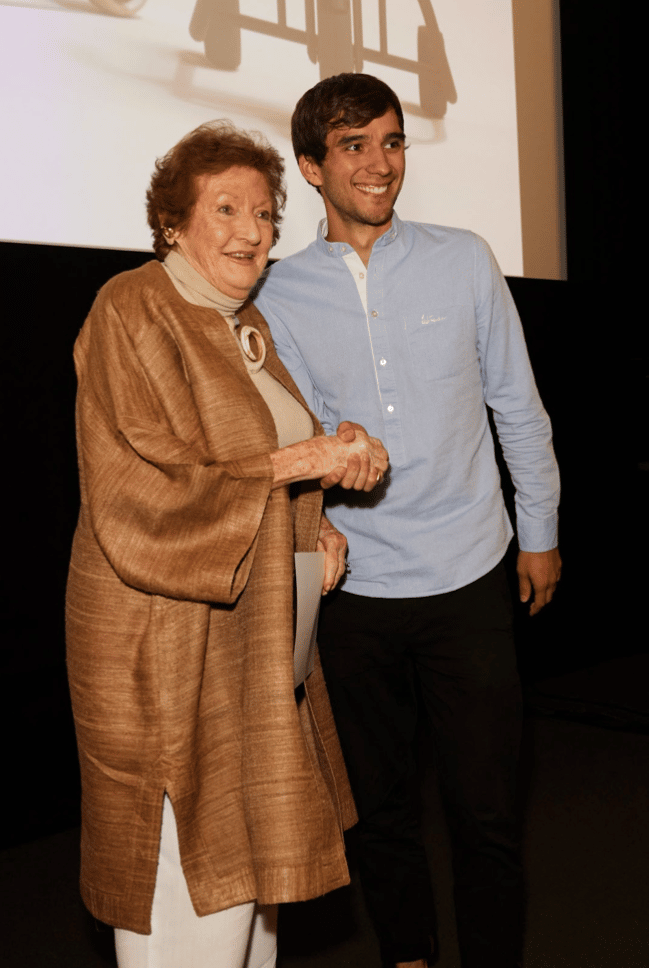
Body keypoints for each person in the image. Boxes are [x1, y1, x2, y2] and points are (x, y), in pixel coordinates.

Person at [255, 74, 562, 968]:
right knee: (379, 809)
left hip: (470, 569)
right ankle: (410, 957)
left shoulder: (464, 257)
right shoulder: (276, 294)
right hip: (356, 589)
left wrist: (539, 530)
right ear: (311, 167)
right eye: (354, 147)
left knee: (489, 809)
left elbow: (518, 404)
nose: (380, 164)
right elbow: (292, 439)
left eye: (391, 142)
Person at [65, 119, 389, 968]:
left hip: (247, 643)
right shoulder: (132, 306)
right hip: (167, 647)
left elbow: (250, 466)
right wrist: (307, 458)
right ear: (173, 222)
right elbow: (145, 487)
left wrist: (313, 524)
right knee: (193, 894)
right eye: (227, 209)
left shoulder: (244, 325)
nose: (253, 230)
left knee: (249, 915)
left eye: (265, 212)